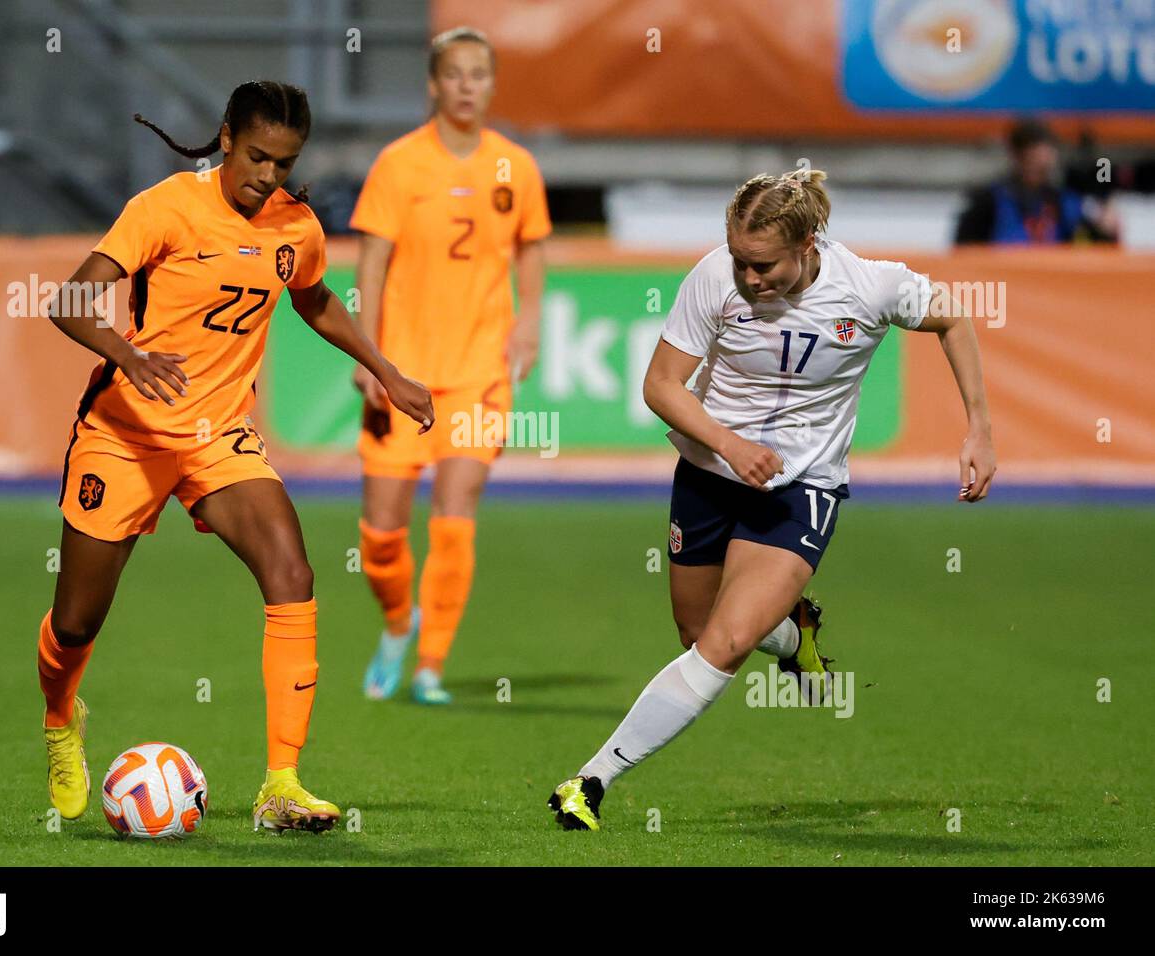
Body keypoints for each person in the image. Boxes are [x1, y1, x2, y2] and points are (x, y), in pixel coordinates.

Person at [37, 81, 434, 834]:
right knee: (77, 622)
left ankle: (281, 783)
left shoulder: (297, 227)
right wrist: (129, 353)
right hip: (126, 434)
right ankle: (61, 717)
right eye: (257, 156)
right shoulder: (165, 209)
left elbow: (312, 296)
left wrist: (387, 370)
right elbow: (69, 300)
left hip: (219, 436)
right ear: (226, 138)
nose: (268, 176)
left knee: (292, 573)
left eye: (284, 163)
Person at [549, 168, 996, 830]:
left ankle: (590, 780)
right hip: (708, 473)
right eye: (739, 260)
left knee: (725, 644)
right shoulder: (713, 278)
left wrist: (979, 430)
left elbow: (954, 318)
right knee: (697, 633)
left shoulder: (872, 286)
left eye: (763, 265)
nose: (748, 278)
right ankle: (794, 637)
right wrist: (728, 445)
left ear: (808, 243)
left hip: (801, 489)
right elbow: (662, 385)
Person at [350, 27, 550, 705]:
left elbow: (531, 248)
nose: (468, 86)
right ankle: (396, 621)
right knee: (380, 532)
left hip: (478, 374)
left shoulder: (514, 167)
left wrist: (531, 318)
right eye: (455, 74)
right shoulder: (398, 165)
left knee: (456, 511)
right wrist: (370, 358)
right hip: (402, 374)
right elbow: (371, 263)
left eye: (479, 74)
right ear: (434, 85)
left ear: (492, 84)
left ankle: (431, 663)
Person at [954, 119, 1119, 245]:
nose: (1039, 172)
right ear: (1017, 157)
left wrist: (1106, 229)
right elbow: (964, 253)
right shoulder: (988, 202)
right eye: (1032, 162)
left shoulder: (1062, 201)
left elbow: (1094, 243)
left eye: (1045, 167)